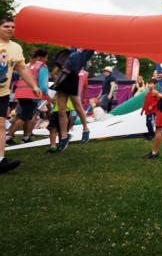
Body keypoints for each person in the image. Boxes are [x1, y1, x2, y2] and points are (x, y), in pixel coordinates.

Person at [1, 17, 44, 172]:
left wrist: (34, 85)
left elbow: (22, 69)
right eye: (6, 26)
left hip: (3, 93)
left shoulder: (16, 48)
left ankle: (1, 160)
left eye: (13, 27)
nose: (10, 29)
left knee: (0, 125)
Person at [54, 47, 95, 151]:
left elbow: (93, 46)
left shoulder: (87, 51)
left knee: (77, 106)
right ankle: (64, 137)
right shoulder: (73, 47)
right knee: (61, 110)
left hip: (72, 78)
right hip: (63, 76)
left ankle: (85, 129)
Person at [6, 48, 49, 145]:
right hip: (32, 94)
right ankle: (8, 137)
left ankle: (25, 137)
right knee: (25, 117)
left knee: (22, 116)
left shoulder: (27, 65)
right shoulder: (42, 67)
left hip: (21, 93)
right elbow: (43, 85)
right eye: (46, 57)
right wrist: (46, 95)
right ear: (41, 57)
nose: (47, 59)